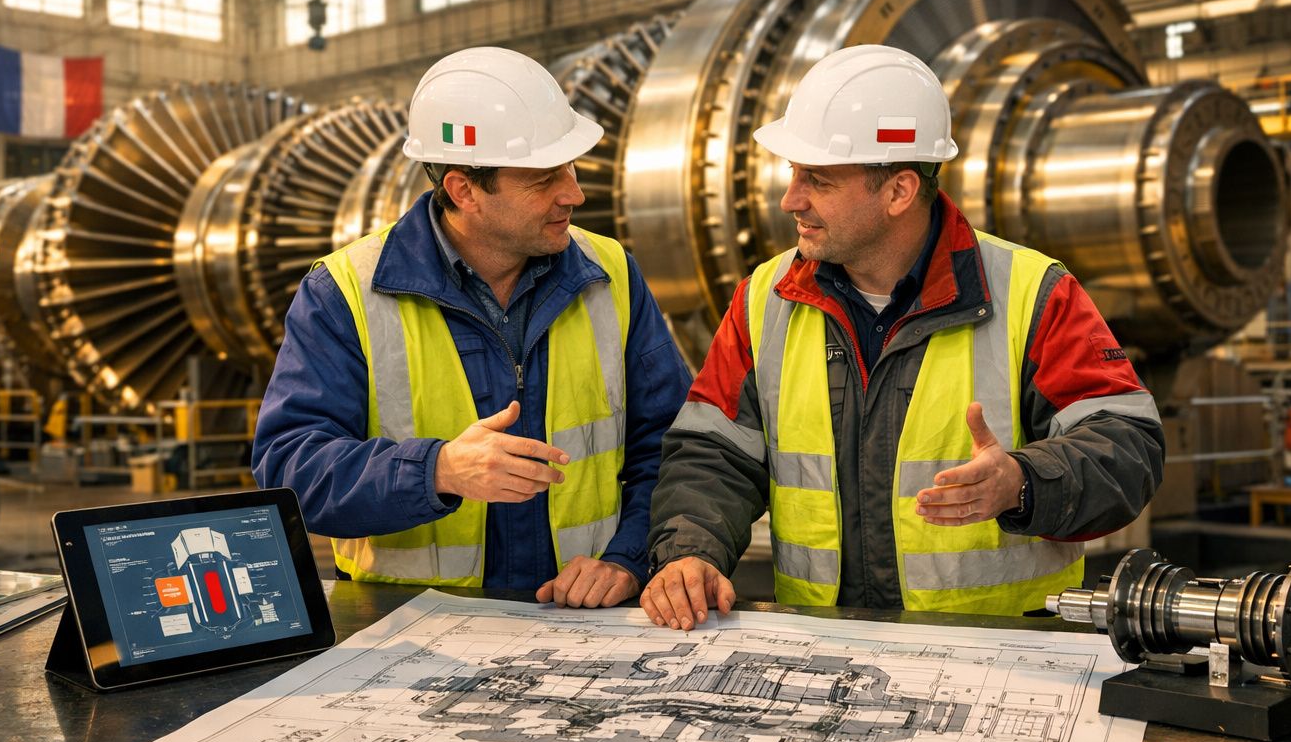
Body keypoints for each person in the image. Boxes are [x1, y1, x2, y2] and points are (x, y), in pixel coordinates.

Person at [640, 44, 1164, 630]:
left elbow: (1128, 446)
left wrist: (1023, 482)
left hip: (1002, 659)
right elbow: (714, 455)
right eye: (793, 174)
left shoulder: (1032, 293)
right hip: (819, 653)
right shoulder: (767, 298)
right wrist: (690, 551)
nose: (792, 200)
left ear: (899, 192)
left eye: (819, 180)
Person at [253, 46, 691, 607]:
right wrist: (436, 470)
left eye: (571, 168)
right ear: (463, 190)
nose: (573, 194)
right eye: (543, 179)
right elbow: (289, 471)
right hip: (411, 639)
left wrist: (627, 558)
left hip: (582, 623)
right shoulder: (344, 292)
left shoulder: (610, 276)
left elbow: (673, 449)